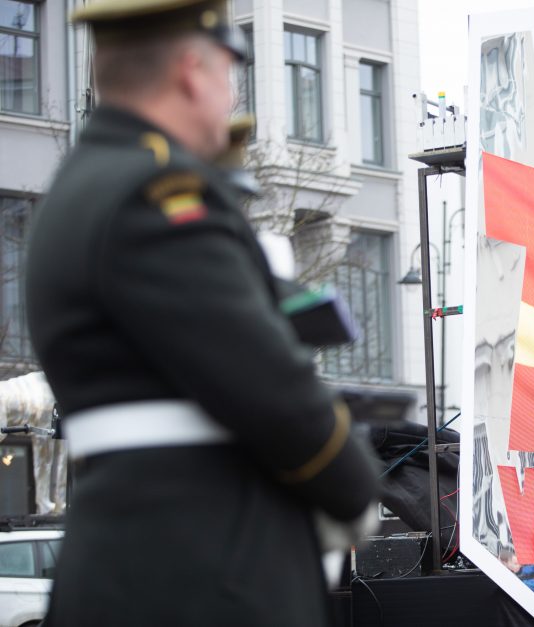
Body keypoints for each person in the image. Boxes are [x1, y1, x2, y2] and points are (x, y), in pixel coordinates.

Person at [24, 0, 378, 624]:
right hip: (201, 577)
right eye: (228, 73)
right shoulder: (154, 196)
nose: (230, 94)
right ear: (192, 70)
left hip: (151, 564)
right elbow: (265, 382)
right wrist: (354, 487)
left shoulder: (89, 185)